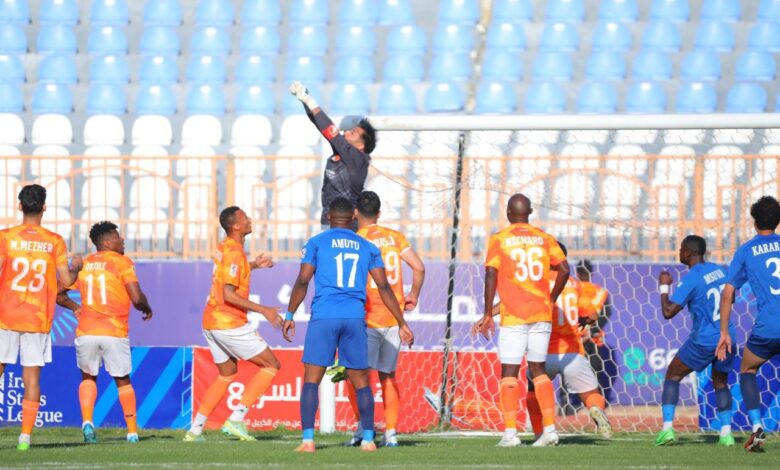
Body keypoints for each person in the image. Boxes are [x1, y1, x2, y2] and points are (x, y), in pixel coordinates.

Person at [283, 197, 414, 453]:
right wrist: (401, 322)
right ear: (352, 218)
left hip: (324, 316)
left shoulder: (316, 242)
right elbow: (384, 286)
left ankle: (308, 441)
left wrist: (289, 315)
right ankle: (368, 440)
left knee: (312, 379)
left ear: (329, 217)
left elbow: (303, 280)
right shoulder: (367, 246)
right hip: (354, 318)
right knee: (362, 381)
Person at [473, 193, 570, 448]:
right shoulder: (545, 237)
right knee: (538, 370)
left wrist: (487, 312)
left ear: (508, 213)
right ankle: (550, 431)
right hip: (541, 313)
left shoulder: (500, 239)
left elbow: (491, 273)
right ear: (530, 212)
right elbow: (564, 269)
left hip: (514, 315)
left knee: (509, 372)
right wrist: (551, 298)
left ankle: (510, 434)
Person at [184, 206, 283, 442]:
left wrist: (254, 265)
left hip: (211, 320)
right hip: (228, 321)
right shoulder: (235, 252)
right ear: (236, 226)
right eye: (245, 217)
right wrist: (264, 310)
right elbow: (228, 294)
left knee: (226, 374)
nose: (250, 220)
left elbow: (229, 272)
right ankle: (236, 419)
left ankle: (195, 431)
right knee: (271, 365)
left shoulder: (225, 246)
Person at [0, 184, 82, 451]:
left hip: (6, 316)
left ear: (19, 206)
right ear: (44, 207)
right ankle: (25, 438)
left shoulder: (6, 237)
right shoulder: (54, 241)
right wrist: (76, 267)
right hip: (36, 319)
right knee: (32, 379)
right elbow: (67, 281)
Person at [56, 221, 154, 444]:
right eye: (118, 237)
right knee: (122, 380)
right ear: (108, 242)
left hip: (86, 330)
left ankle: (87, 422)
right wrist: (147, 306)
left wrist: (75, 308)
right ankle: (132, 432)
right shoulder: (122, 262)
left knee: (88, 377)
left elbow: (58, 294)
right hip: (113, 330)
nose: (123, 240)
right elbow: (137, 298)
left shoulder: (86, 264)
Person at [344, 191, 425, 448]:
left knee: (356, 376)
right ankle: (391, 433)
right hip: (393, 316)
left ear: (355, 213)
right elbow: (419, 267)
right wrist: (413, 295)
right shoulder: (394, 236)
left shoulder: (356, 240)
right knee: (388, 376)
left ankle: (362, 428)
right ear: (379, 213)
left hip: (366, 317)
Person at [656, 235, 735, 447]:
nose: (679, 253)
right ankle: (726, 435)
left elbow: (668, 312)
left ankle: (667, 430)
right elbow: (731, 297)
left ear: (688, 252)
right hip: (728, 337)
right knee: (721, 383)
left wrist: (664, 287)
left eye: (681, 249)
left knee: (672, 375)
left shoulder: (691, 278)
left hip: (704, 340)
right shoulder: (721, 270)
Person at [716, 195, 780, 452]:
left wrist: (724, 332)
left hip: (768, 327)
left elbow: (727, 293)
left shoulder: (746, 250)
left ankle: (757, 427)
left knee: (747, 370)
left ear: (754, 222)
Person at [288, 80, 377, 230]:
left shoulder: (358, 159)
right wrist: (304, 100)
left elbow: (331, 131)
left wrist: (310, 100)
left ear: (361, 146)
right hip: (329, 221)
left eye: (353, 132)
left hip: (347, 225)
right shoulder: (342, 152)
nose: (346, 132)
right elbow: (319, 123)